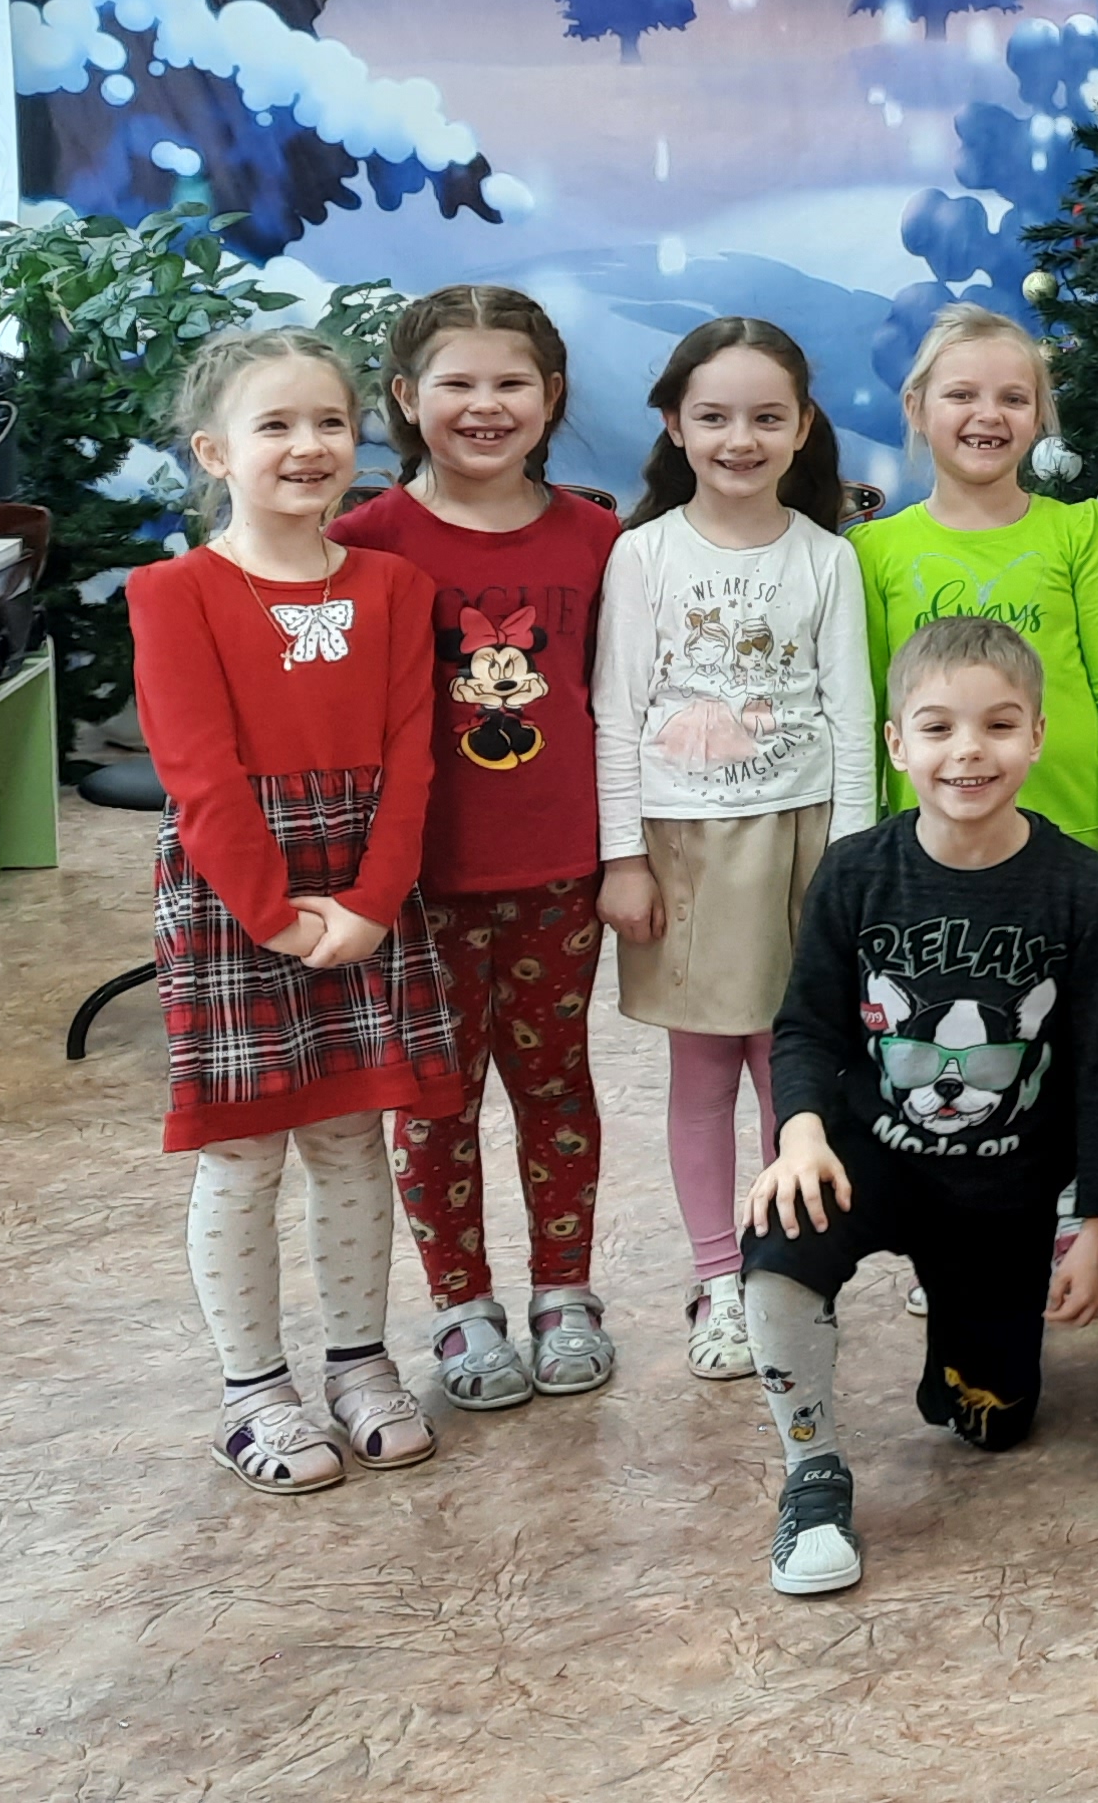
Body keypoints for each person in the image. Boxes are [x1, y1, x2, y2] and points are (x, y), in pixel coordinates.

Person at [736, 617, 1098, 1596]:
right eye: (938, 727)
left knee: (989, 1423)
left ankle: (961, 1339)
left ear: (1036, 736)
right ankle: (812, 1472)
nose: (969, 751)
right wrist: (799, 1135)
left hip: (1004, 1189)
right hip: (868, 1155)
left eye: (998, 725)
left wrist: (1097, 1229)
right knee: (779, 1246)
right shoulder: (854, 872)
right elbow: (806, 1027)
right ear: (896, 744)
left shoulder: (1083, 888)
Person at [127, 327, 457, 1494]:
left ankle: (360, 1364)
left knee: (352, 1137)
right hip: (237, 894)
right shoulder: (173, 594)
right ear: (215, 451)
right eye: (275, 425)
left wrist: (370, 903)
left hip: (364, 881)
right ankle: (252, 1392)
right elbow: (199, 776)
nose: (309, 445)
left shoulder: (394, 587)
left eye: (331, 422)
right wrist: (272, 914)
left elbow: (412, 758)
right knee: (242, 1152)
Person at [333, 286, 626, 1410]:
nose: (485, 406)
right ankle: (461, 1309)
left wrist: (627, 853)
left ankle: (565, 1294)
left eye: (511, 383)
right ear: (408, 398)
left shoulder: (598, 540)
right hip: (416, 884)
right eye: (457, 383)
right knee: (435, 1099)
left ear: (551, 396)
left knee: (555, 1084)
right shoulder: (362, 542)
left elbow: (619, 704)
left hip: (559, 870)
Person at [591, 317, 876, 1383]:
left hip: (803, 842)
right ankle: (717, 1279)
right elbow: (616, 714)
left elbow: (853, 716)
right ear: (675, 424)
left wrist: (851, 868)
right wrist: (623, 856)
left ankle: (779, 1274)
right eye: (713, 417)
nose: (739, 439)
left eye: (766, 417)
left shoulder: (827, 558)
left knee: (790, 1072)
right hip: (686, 853)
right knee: (706, 1069)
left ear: (802, 427)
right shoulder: (643, 555)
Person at [851, 305, 1098, 889]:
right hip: (929, 847)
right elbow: (866, 707)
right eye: (961, 395)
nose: (989, 415)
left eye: (1014, 399)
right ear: (916, 408)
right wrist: (862, 836)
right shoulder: (873, 550)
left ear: (1039, 415)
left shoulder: (1081, 531)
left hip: (1079, 835)